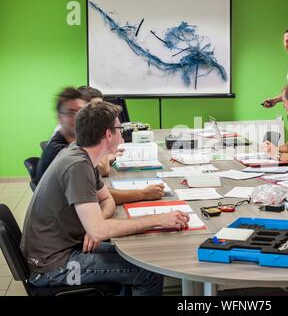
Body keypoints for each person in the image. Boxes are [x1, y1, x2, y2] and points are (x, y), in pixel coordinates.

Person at [21, 101, 190, 295]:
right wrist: (159, 219)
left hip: (61, 250)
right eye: (120, 128)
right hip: (52, 268)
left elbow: (107, 200)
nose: (122, 132)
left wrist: (93, 227)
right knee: (148, 270)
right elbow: (100, 230)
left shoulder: (81, 154)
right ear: (108, 134)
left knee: (140, 255)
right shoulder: (77, 166)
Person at [35, 87, 165, 205]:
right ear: (59, 117)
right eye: (71, 112)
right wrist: (143, 194)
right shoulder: (66, 154)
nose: (78, 117)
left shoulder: (75, 144)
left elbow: (102, 194)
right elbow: (99, 185)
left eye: (80, 111)